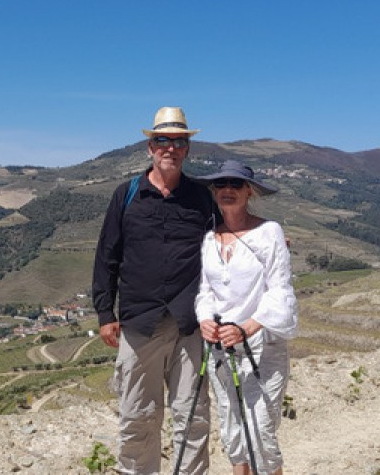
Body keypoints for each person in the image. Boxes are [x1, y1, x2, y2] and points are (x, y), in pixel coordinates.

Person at [92, 106, 218, 474]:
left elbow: (225, 243)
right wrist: (105, 313)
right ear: (150, 146)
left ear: (187, 149)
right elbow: (107, 255)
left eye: (178, 142)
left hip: (188, 325)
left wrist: (264, 240)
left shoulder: (202, 197)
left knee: (193, 417)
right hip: (139, 322)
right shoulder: (127, 194)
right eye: (163, 140)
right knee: (137, 416)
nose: (170, 148)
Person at [192, 160, 298, 475]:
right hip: (222, 349)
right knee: (232, 424)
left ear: (249, 191)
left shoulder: (269, 232)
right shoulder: (209, 238)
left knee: (260, 429)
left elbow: (280, 289)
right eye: (221, 184)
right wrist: (204, 319)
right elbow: (205, 291)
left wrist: (248, 327)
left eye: (235, 184)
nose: (227, 189)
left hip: (262, 347)